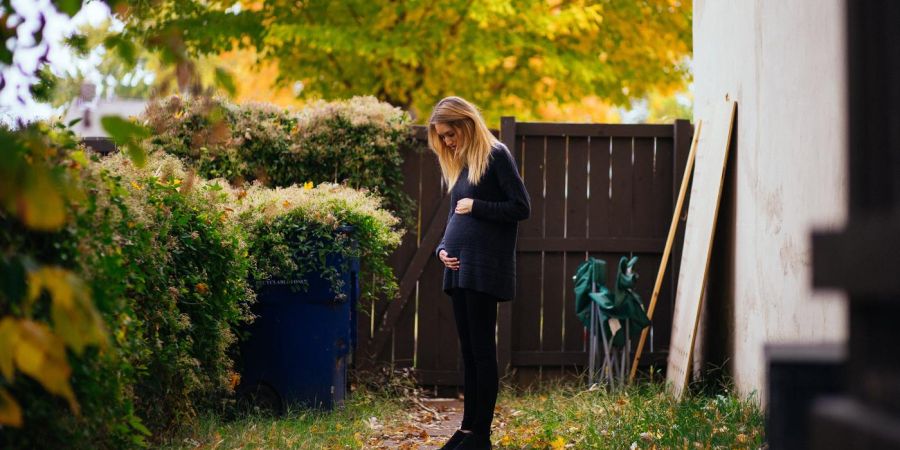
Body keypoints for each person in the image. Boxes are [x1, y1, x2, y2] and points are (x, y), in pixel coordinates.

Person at [428, 96, 531, 450]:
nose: (447, 142)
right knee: (469, 352)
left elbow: (521, 206)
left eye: (449, 134)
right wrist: (442, 248)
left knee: (483, 351)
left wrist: (479, 206)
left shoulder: (496, 155)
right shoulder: (463, 165)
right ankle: (468, 428)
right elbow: (455, 215)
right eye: (441, 137)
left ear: (466, 123)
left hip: (484, 268)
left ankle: (481, 434)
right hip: (460, 269)